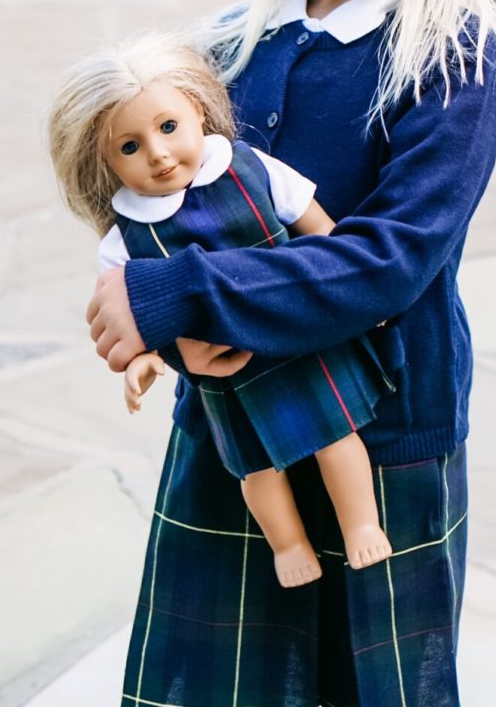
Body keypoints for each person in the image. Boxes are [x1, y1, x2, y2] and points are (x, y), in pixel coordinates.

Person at [87, 0, 496, 707]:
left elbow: (388, 259)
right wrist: (157, 317)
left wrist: (178, 294)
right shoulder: (229, 47)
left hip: (384, 428)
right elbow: (167, 202)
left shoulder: (451, 51)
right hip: (238, 426)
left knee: (371, 679)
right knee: (220, 675)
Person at [47, 33, 396, 588]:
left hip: (297, 334)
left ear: (199, 111)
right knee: (256, 468)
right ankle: (289, 546)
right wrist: (146, 361)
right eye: (129, 147)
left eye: (168, 128)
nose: (158, 154)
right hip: (225, 372)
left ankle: (360, 524)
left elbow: (320, 228)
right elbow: (132, 316)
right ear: (105, 160)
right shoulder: (124, 238)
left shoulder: (250, 169)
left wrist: (359, 291)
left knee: (337, 435)